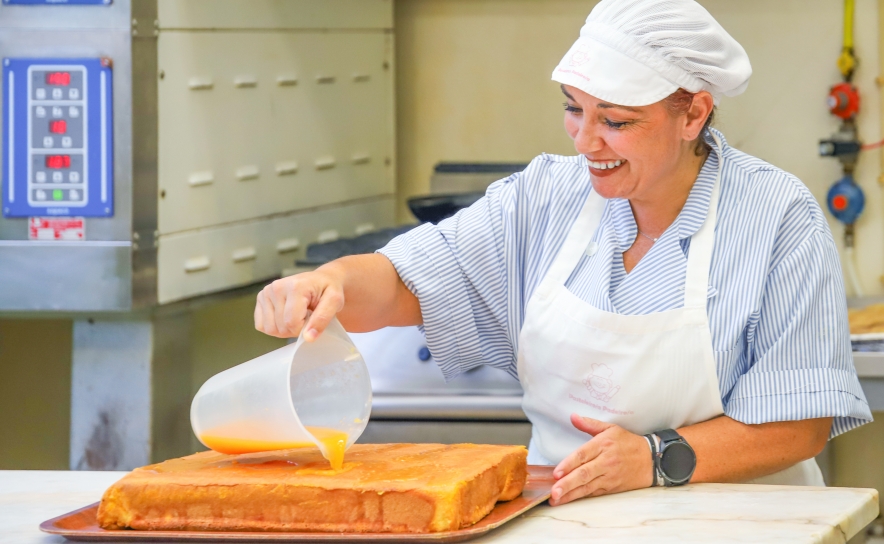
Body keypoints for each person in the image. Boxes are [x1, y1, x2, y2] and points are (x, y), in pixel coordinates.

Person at [255, 0, 872, 505]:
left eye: (617, 121)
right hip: (563, 521)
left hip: (740, 524)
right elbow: (405, 279)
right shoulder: (544, 196)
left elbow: (801, 422)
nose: (586, 141)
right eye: (575, 111)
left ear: (694, 114)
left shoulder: (775, 217)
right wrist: (327, 281)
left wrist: (657, 457)